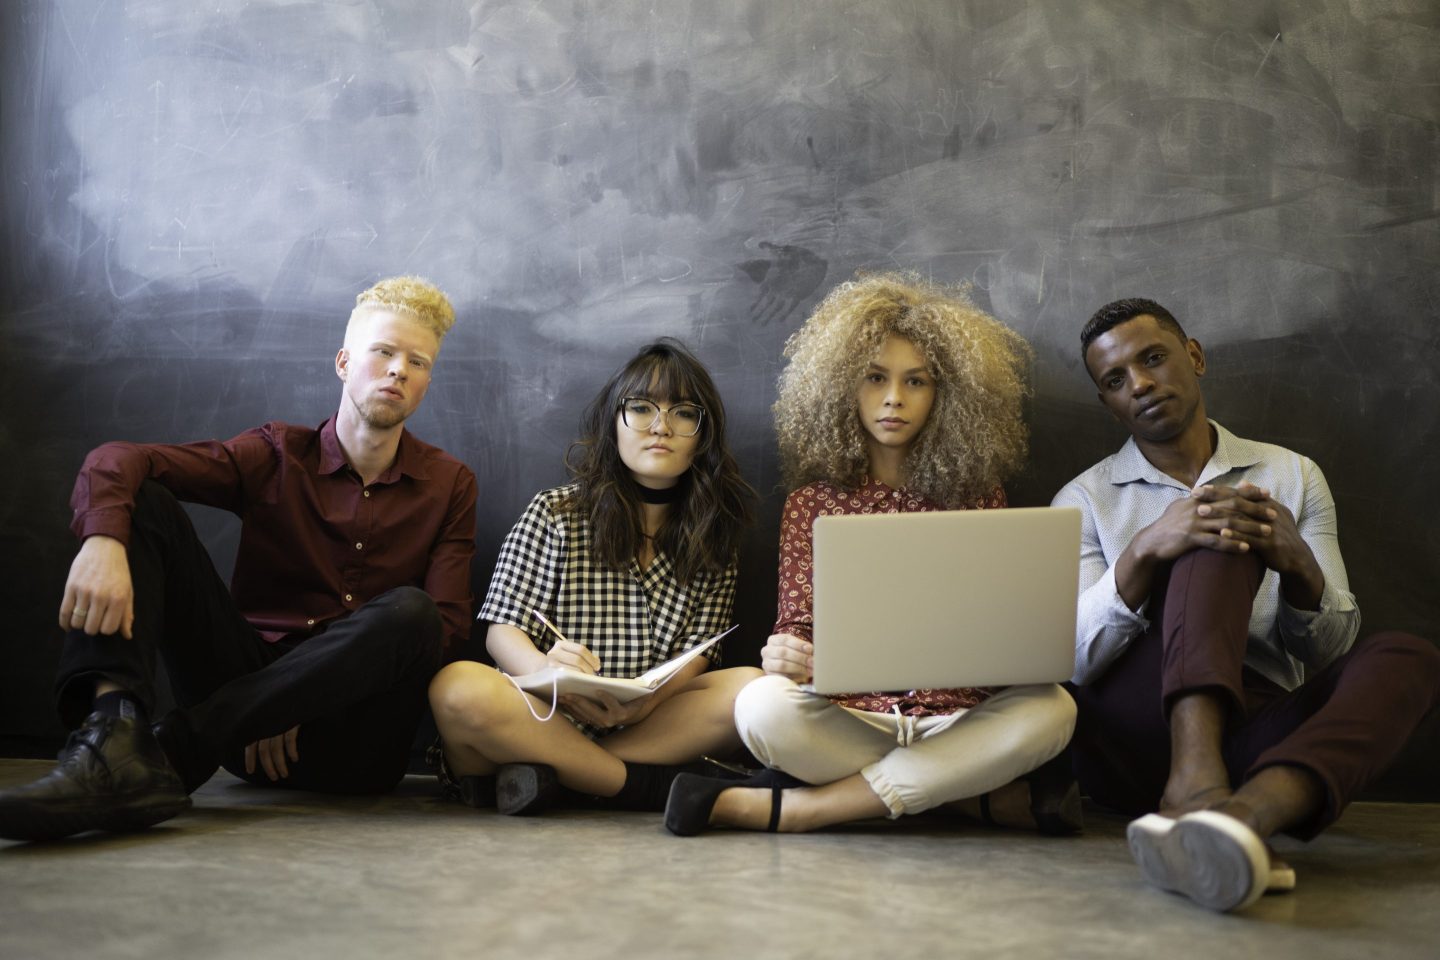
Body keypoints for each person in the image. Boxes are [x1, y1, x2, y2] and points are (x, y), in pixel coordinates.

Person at [0, 276, 477, 843]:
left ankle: (153, 757)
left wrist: (286, 698)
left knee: (414, 613)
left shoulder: (450, 483)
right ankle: (111, 735)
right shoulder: (275, 454)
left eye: (417, 362)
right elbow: (119, 457)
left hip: (355, 744)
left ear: (426, 383)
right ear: (345, 362)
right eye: (384, 352)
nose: (399, 369)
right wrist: (101, 540)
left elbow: (445, 631)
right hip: (245, 741)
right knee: (143, 500)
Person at [1053, 297, 1440, 911]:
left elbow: (1329, 649)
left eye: (1154, 358)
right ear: (1107, 402)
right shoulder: (1083, 497)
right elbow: (1071, 662)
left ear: (1195, 356)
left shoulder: (1293, 474)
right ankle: (1194, 785)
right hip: (1133, 732)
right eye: (1116, 380)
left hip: (1254, 728)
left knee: (1411, 656)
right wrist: (1145, 553)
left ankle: (1241, 819)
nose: (1142, 384)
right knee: (1221, 529)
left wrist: (1297, 564)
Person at [665, 272, 1078, 836]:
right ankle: (962, 797)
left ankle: (807, 809)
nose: (893, 398)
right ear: (843, 386)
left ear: (946, 395)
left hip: (959, 721)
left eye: (917, 382)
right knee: (760, 707)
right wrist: (787, 655)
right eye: (875, 378)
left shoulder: (978, 497)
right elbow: (799, 629)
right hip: (851, 722)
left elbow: (991, 625)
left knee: (1055, 708)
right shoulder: (812, 503)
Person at [428, 338, 761, 815]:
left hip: (641, 727)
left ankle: (559, 777)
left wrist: (646, 703)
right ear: (614, 422)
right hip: (538, 714)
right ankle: (634, 787)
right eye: (641, 408)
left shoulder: (715, 539)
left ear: (702, 435)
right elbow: (502, 631)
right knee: (457, 687)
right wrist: (548, 671)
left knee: (751, 687)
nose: (661, 427)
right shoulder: (555, 512)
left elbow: (701, 653)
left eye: (684, 413)